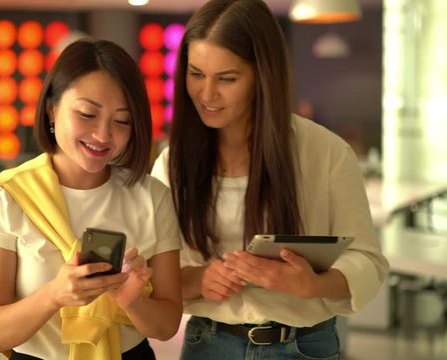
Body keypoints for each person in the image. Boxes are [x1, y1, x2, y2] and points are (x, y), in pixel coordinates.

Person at [150, 1, 390, 359]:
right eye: (196, 73)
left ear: (262, 76)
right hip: (209, 344)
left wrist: (312, 284)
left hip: (304, 346)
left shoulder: (325, 152)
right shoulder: (172, 164)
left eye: (227, 79)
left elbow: (368, 261)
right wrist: (200, 279)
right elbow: (155, 276)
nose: (207, 94)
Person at [0, 39, 183, 360]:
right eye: (87, 114)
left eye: (121, 121)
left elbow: (167, 325)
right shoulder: (5, 197)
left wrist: (132, 300)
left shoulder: (152, 196)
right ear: (51, 108)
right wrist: (55, 294)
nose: (103, 135)